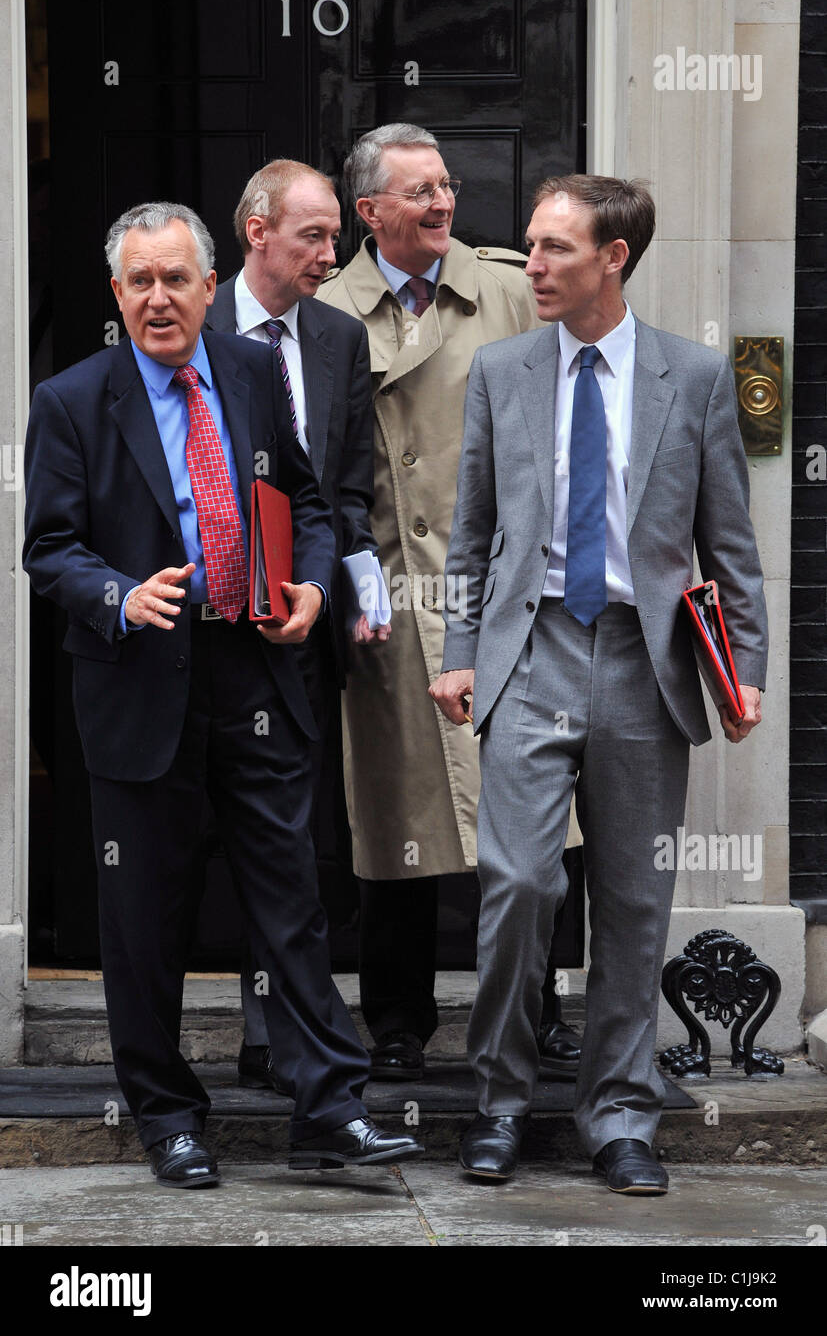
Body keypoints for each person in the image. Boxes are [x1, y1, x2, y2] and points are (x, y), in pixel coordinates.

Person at [23, 201, 422, 1187]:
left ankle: (330, 1105)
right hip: (141, 683)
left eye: (176, 279)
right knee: (145, 918)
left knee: (291, 902)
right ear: (116, 295)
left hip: (255, 669)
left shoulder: (247, 372)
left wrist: (313, 586)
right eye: (139, 282)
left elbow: (311, 499)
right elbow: (48, 550)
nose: (159, 298)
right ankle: (168, 1117)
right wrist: (118, 592)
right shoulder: (72, 401)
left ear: (212, 286)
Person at [430, 175, 768, 1191]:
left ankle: (620, 1115)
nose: (529, 264)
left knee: (631, 900)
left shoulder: (695, 377)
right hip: (528, 655)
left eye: (552, 248)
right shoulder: (500, 370)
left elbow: (731, 546)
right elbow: (471, 535)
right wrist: (457, 650)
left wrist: (740, 675)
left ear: (611, 258)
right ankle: (493, 1101)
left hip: (642, 660)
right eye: (530, 245)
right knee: (522, 883)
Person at [316, 123, 583, 1083]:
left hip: (504, 593)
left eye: (446, 186)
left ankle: (540, 1005)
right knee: (397, 815)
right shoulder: (327, 305)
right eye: (419, 191)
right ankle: (395, 1019)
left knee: (534, 813)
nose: (442, 203)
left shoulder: (511, 288)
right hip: (387, 592)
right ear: (368, 212)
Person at [204, 159, 389, 1092]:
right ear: (256, 232)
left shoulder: (336, 337)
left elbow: (344, 486)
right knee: (205, 831)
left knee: (292, 836)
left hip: (302, 620)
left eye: (333, 237)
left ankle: (273, 1030)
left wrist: (346, 584)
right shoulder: (194, 326)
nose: (331, 255)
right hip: (199, 623)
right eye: (313, 236)